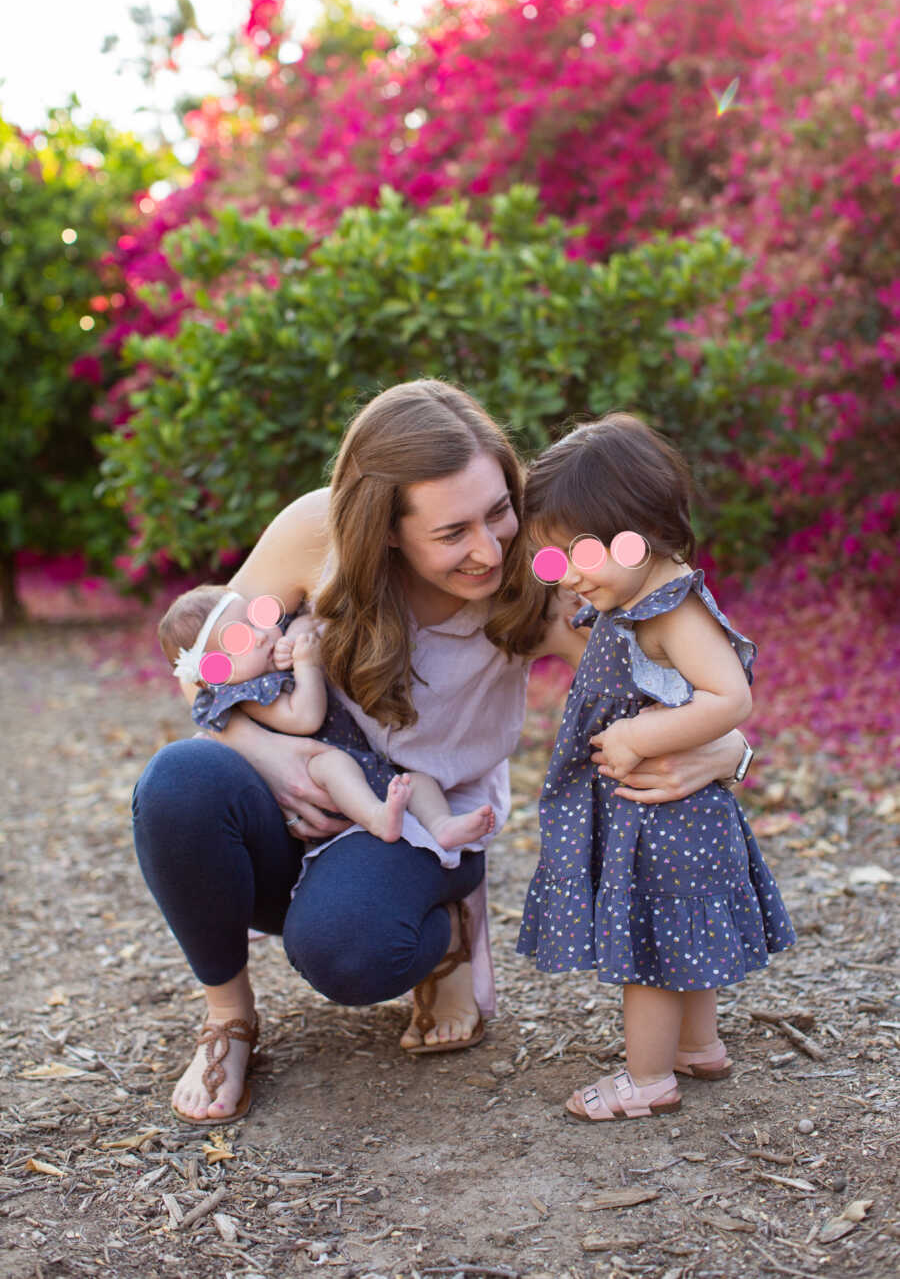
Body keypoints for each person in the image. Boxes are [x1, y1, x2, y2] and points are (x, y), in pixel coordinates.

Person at [131, 380, 749, 1126]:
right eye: (452, 532)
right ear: (385, 528)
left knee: (344, 953)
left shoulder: (543, 574)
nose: (489, 548)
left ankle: (445, 922)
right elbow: (206, 667)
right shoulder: (311, 535)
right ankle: (228, 1019)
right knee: (177, 785)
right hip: (310, 787)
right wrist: (267, 750)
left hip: (430, 816)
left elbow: (697, 679)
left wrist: (730, 752)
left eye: (498, 512)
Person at [516, 412, 796, 1122]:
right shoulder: (635, 600)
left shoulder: (673, 612)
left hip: (669, 816)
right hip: (661, 815)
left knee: (649, 951)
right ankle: (698, 1047)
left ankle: (646, 1080)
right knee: (680, 935)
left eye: (578, 554)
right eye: (553, 561)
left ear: (640, 529)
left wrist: (645, 734)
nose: (570, 577)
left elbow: (731, 696)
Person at [157, 584, 495, 848]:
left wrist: (294, 637)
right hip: (316, 777)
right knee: (333, 765)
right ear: (214, 673)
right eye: (238, 639)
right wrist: (306, 664)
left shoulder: (270, 653)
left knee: (415, 779)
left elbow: (305, 617)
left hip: (363, 757)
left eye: (255, 620)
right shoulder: (246, 696)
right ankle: (377, 817)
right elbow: (306, 718)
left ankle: (441, 826)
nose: (261, 636)